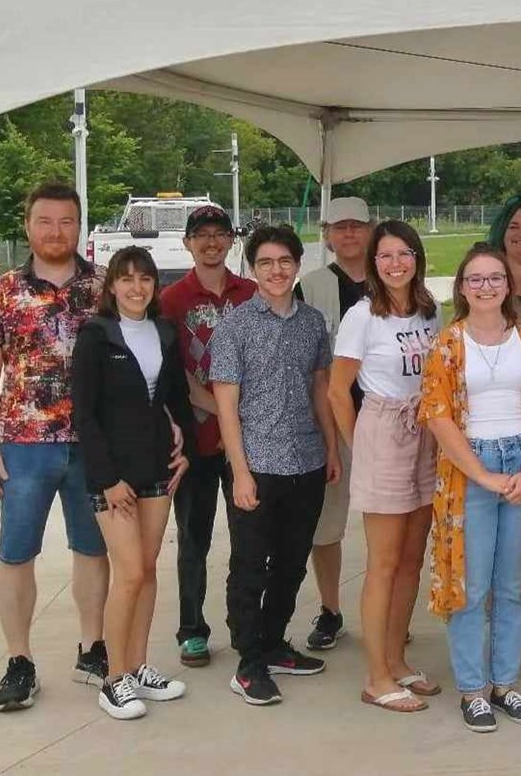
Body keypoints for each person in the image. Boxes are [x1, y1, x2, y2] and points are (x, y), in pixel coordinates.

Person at [0, 182, 111, 712]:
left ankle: (93, 647)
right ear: (28, 226)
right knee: (16, 552)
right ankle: (19, 660)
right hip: (25, 446)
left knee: (93, 549)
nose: (56, 232)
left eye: (67, 221)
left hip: (93, 445)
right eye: (45, 221)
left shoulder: (104, 288)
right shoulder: (1, 292)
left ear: (80, 226)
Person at [421, 244, 521, 734]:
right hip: (469, 469)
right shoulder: (447, 344)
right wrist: (483, 475)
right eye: (475, 279)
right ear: (461, 288)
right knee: (469, 584)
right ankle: (473, 690)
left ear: (508, 285)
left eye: (495, 278)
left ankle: (505, 683)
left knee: (513, 584)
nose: (486, 286)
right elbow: (437, 416)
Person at [210, 225, 342, 706]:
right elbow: (226, 407)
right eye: (265, 263)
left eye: (284, 261)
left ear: (297, 264)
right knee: (250, 565)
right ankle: (249, 661)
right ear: (252, 269)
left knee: (291, 562)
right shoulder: (235, 325)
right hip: (258, 464)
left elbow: (320, 391)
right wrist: (239, 472)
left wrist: (329, 448)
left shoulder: (312, 323)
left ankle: (273, 642)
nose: (276, 270)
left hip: (306, 462)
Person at [72, 247, 197, 720]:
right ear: (111, 287)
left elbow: (176, 398)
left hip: (156, 469)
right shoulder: (96, 336)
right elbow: (84, 415)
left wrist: (185, 452)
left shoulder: (164, 332)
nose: (136, 288)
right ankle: (113, 678)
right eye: (125, 279)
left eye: (144, 279)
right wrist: (106, 480)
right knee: (127, 574)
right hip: (113, 479)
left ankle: (140, 666)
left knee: (147, 571)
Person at [328, 220, 444, 712]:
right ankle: (376, 676)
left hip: (426, 432)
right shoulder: (362, 317)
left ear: (417, 258)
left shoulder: (429, 312)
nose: (395, 264)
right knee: (383, 562)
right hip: (383, 429)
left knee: (412, 559)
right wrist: (359, 445)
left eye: (404, 254)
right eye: (385, 256)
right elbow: (338, 390)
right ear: (374, 264)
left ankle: (397, 660)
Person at [161, 204, 257, 668]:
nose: (212, 242)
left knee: (249, 536)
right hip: (197, 441)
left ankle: (247, 627)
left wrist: (237, 421)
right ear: (187, 243)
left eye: (220, 233)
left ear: (231, 241)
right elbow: (171, 369)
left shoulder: (252, 294)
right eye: (202, 235)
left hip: (250, 442)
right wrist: (219, 410)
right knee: (193, 537)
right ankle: (192, 629)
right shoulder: (172, 300)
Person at [295, 195, 373, 652]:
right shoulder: (313, 285)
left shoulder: (393, 277)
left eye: (356, 226)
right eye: (339, 227)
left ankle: (391, 612)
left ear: (370, 229)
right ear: (326, 232)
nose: (348, 234)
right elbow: (309, 365)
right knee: (327, 527)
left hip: (387, 421)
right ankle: (330, 609)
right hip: (333, 420)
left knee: (393, 525)